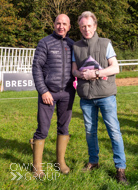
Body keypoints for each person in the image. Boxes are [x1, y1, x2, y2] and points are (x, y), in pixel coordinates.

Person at [72, 11, 128, 184]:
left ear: (95, 26)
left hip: (106, 95)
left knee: (114, 132)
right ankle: (93, 162)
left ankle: (120, 168)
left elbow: (115, 68)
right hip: (86, 97)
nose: (86, 29)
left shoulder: (106, 43)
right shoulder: (76, 47)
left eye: (89, 26)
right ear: (80, 28)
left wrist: (95, 73)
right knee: (90, 132)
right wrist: (80, 74)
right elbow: (73, 70)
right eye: (83, 26)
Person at [29, 14, 75, 178]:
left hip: (68, 93)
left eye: (64, 24)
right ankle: (37, 167)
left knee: (64, 128)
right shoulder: (45, 42)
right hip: (48, 93)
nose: (61, 26)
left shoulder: (72, 45)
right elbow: (36, 68)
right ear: (54, 24)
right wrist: (43, 91)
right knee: (43, 129)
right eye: (58, 23)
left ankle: (60, 162)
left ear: (69, 26)